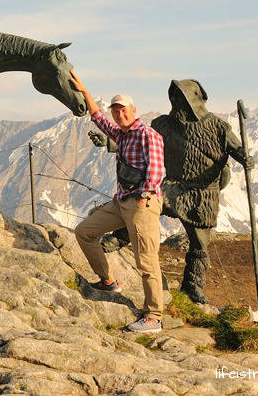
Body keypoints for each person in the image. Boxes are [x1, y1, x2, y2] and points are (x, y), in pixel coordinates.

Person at [69, 69, 166, 333]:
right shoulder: (121, 134)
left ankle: (153, 317)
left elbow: (156, 170)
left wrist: (145, 197)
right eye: (115, 110)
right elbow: (97, 117)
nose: (119, 114)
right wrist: (85, 92)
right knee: (85, 232)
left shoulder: (147, 134)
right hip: (121, 201)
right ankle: (108, 281)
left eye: (123, 110)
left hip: (141, 203)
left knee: (146, 261)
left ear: (134, 110)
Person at [150, 79, 254, 303]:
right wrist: (111, 144)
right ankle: (118, 237)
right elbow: (140, 143)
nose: (175, 102)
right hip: (173, 186)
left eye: (180, 98)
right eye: (173, 97)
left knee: (199, 245)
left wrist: (244, 158)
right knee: (146, 205)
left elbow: (236, 148)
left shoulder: (217, 126)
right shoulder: (162, 125)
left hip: (203, 193)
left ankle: (192, 285)